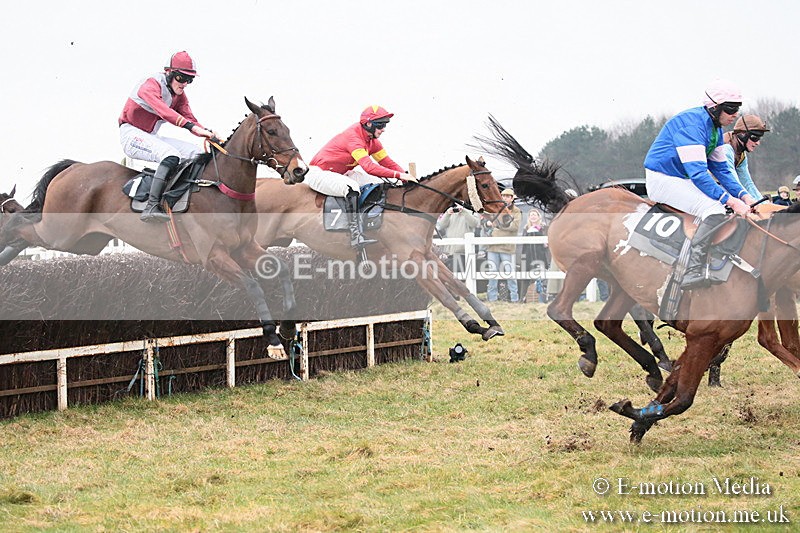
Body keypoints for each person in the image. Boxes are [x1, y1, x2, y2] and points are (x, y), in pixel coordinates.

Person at [644, 79, 755, 290]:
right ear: (714, 107)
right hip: (663, 179)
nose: (735, 114)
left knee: (724, 206)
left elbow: (722, 170)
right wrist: (731, 200)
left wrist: (744, 196)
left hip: (681, 177)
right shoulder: (693, 126)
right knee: (713, 208)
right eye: (730, 108)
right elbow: (698, 174)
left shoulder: (714, 129)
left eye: (737, 108)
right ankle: (692, 270)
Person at [119, 51, 219, 222]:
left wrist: (207, 132)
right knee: (171, 155)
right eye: (181, 78)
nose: (185, 84)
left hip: (151, 135)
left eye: (190, 79)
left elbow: (189, 117)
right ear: (169, 73)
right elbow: (164, 112)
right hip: (132, 134)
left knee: (195, 154)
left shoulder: (178, 94)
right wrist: (193, 128)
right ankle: (151, 206)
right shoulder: (150, 84)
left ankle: (179, 197)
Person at [307, 105, 418, 251]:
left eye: (385, 125)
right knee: (351, 188)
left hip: (341, 173)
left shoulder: (372, 141)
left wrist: (405, 178)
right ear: (369, 124)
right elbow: (369, 167)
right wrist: (399, 175)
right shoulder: (354, 138)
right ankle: (355, 235)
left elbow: (387, 163)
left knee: (377, 185)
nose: (384, 129)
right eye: (381, 125)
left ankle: (372, 223)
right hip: (319, 174)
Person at [484, 188, 522, 302]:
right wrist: (487, 223)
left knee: (510, 273)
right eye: (503, 196)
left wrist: (498, 225)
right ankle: (492, 299)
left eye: (507, 196)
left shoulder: (516, 211)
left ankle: (514, 298)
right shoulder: (496, 209)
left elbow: (514, 227)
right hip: (493, 246)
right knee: (492, 273)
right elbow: (487, 221)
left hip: (507, 247)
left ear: (512, 198)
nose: (505, 198)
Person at [722, 114, 770, 200]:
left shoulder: (742, 155)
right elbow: (733, 183)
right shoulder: (725, 150)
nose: (757, 143)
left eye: (759, 138)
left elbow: (747, 183)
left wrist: (762, 203)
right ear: (742, 134)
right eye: (755, 137)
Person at [436, 205, 480, 274]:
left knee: (461, 277)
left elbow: (475, 224)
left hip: (463, 252)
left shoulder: (472, 211)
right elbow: (441, 226)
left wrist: (464, 211)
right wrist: (447, 213)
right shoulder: (451, 213)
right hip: (449, 252)